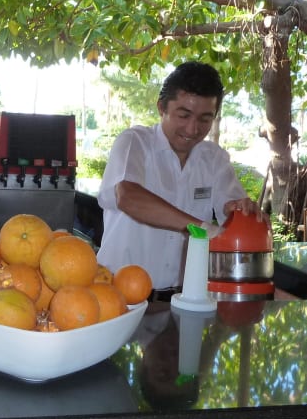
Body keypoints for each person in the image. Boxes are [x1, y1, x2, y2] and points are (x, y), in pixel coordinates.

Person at [96, 61, 266, 300]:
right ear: (161, 108)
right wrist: (201, 229)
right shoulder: (135, 142)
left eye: (205, 119)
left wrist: (242, 212)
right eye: (184, 115)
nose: (192, 128)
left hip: (184, 300)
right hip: (118, 298)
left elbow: (234, 217)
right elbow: (128, 197)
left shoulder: (214, 159)